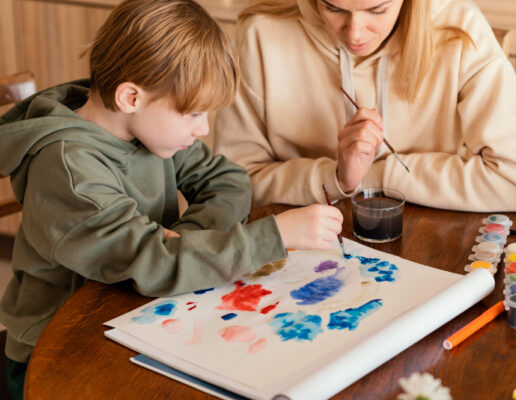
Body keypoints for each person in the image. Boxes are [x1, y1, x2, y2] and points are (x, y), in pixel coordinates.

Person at [0, 1, 344, 398]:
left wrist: (184, 242)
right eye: (194, 114)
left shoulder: (143, 125)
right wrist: (270, 237)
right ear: (132, 97)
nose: (204, 128)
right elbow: (154, 264)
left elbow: (228, 180)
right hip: (57, 351)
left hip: (132, 316)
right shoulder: (69, 172)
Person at [214, 0, 516, 211]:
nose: (355, 33)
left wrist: (369, 177)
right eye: (332, 7)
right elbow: (232, 185)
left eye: (376, 9)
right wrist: (334, 177)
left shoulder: (462, 27)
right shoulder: (259, 35)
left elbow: (514, 178)